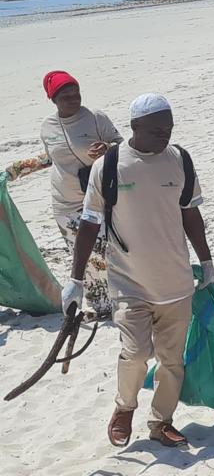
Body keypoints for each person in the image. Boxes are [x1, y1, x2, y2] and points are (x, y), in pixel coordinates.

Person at [66, 93, 214, 448]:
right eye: (155, 130)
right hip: (129, 282)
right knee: (135, 353)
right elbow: (89, 224)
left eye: (168, 129)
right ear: (134, 127)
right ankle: (124, 408)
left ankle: (161, 422)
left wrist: (207, 261)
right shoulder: (110, 165)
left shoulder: (180, 160)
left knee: (171, 360)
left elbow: (190, 214)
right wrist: (75, 281)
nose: (164, 136)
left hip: (176, 282)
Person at [40, 70, 122, 318]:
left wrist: (107, 148)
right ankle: (102, 308)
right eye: (66, 97)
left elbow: (122, 145)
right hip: (64, 202)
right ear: (53, 99)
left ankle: (119, 301)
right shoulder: (47, 127)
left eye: (76, 94)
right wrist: (16, 170)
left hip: (96, 198)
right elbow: (50, 158)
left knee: (105, 251)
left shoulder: (95, 118)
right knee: (83, 260)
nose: (74, 99)